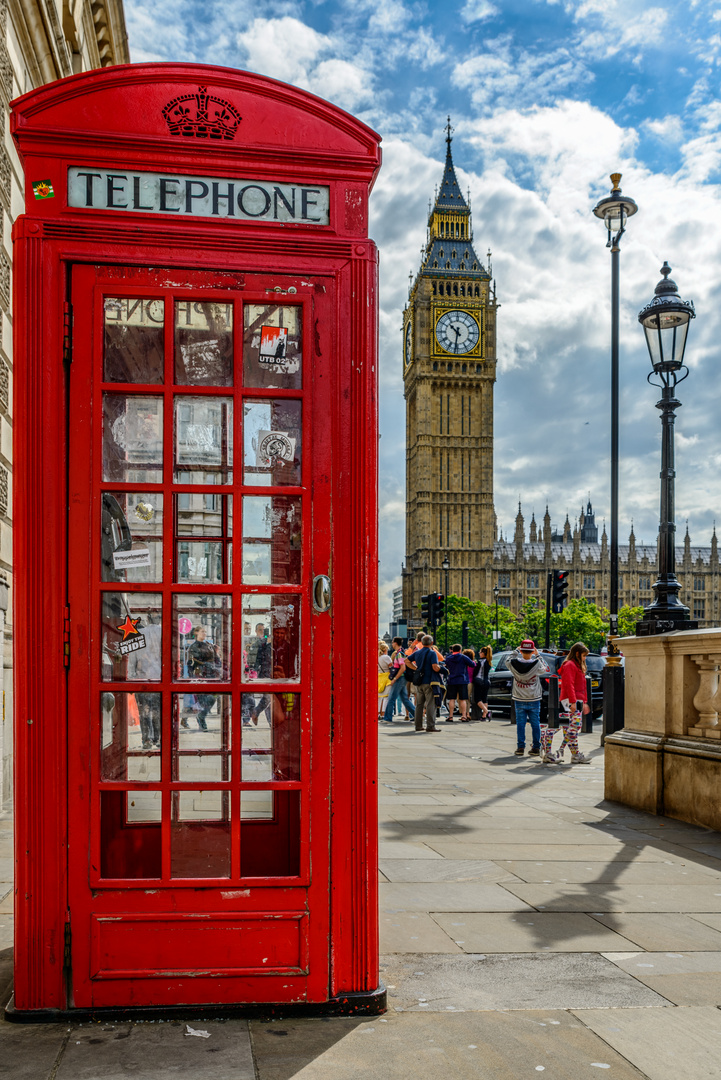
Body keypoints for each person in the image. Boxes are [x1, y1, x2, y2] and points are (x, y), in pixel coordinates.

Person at [507, 638, 548, 757]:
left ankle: (520, 747)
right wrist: (538, 655)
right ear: (532, 651)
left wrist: (515, 651)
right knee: (535, 723)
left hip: (519, 698)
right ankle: (536, 747)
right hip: (534, 698)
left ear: (521, 650)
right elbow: (545, 669)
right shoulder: (536, 664)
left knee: (520, 724)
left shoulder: (513, 664)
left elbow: (507, 661)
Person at [553, 641, 592, 764]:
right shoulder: (570, 665)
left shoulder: (577, 665)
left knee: (573, 728)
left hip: (577, 699)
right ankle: (563, 750)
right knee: (575, 727)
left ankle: (574, 754)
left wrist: (583, 702)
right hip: (571, 700)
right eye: (584, 655)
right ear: (577, 653)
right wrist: (573, 702)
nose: (585, 658)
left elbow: (582, 686)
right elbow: (569, 685)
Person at [187, 625, 221, 731]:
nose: (204, 633)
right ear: (196, 633)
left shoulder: (209, 645)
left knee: (213, 696)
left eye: (205, 631)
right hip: (200, 674)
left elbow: (217, 658)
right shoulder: (193, 647)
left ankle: (201, 716)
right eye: (202, 631)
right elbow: (191, 663)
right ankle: (202, 721)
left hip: (212, 674)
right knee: (202, 700)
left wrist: (218, 668)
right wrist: (192, 676)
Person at [406, 634, 441, 732]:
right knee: (430, 704)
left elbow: (407, 661)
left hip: (419, 682)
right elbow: (434, 666)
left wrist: (416, 668)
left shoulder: (417, 652)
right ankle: (430, 726)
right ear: (432, 643)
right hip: (429, 681)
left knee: (419, 705)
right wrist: (440, 668)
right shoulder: (432, 653)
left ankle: (418, 726)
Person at [382, 638, 416, 723]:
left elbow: (403, 667)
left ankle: (387, 718)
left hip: (400, 678)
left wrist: (394, 678)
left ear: (395, 643)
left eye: (393, 642)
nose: (392, 644)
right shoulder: (400, 653)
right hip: (402, 678)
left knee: (391, 698)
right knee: (404, 699)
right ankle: (417, 715)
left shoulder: (399, 654)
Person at [444, 644, 476, 722]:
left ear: (452, 650)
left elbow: (445, 665)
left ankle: (450, 716)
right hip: (462, 680)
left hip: (451, 680)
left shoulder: (448, 658)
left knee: (452, 699)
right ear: (460, 650)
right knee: (463, 699)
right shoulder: (463, 657)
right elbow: (472, 664)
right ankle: (464, 716)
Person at [470, 646, 492, 721]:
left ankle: (487, 711)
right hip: (487, 681)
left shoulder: (480, 662)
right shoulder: (489, 661)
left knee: (477, 699)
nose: (479, 653)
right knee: (484, 699)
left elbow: (476, 672)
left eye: (480, 652)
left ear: (483, 653)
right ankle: (484, 716)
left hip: (479, 681)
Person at [378, 641, 393, 719]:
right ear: (385, 650)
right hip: (387, 677)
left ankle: (377, 713)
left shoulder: (376, 657)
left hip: (379, 677)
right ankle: (383, 713)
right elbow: (391, 667)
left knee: (379, 697)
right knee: (386, 697)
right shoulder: (386, 657)